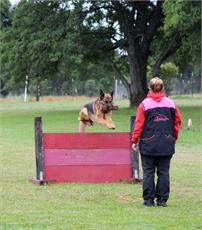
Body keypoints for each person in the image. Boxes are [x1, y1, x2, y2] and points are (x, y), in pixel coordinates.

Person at [131, 77, 181, 207]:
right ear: (162, 88)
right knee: (164, 172)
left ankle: (148, 200)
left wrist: (135, 140)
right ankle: (162, 200)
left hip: (148, 144)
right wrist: (173, 137)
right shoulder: (171, 104)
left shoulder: (144, 104)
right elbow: (177, 123)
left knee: (148, 172)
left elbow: (139, 124)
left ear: (150, 88)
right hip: (166, 142)